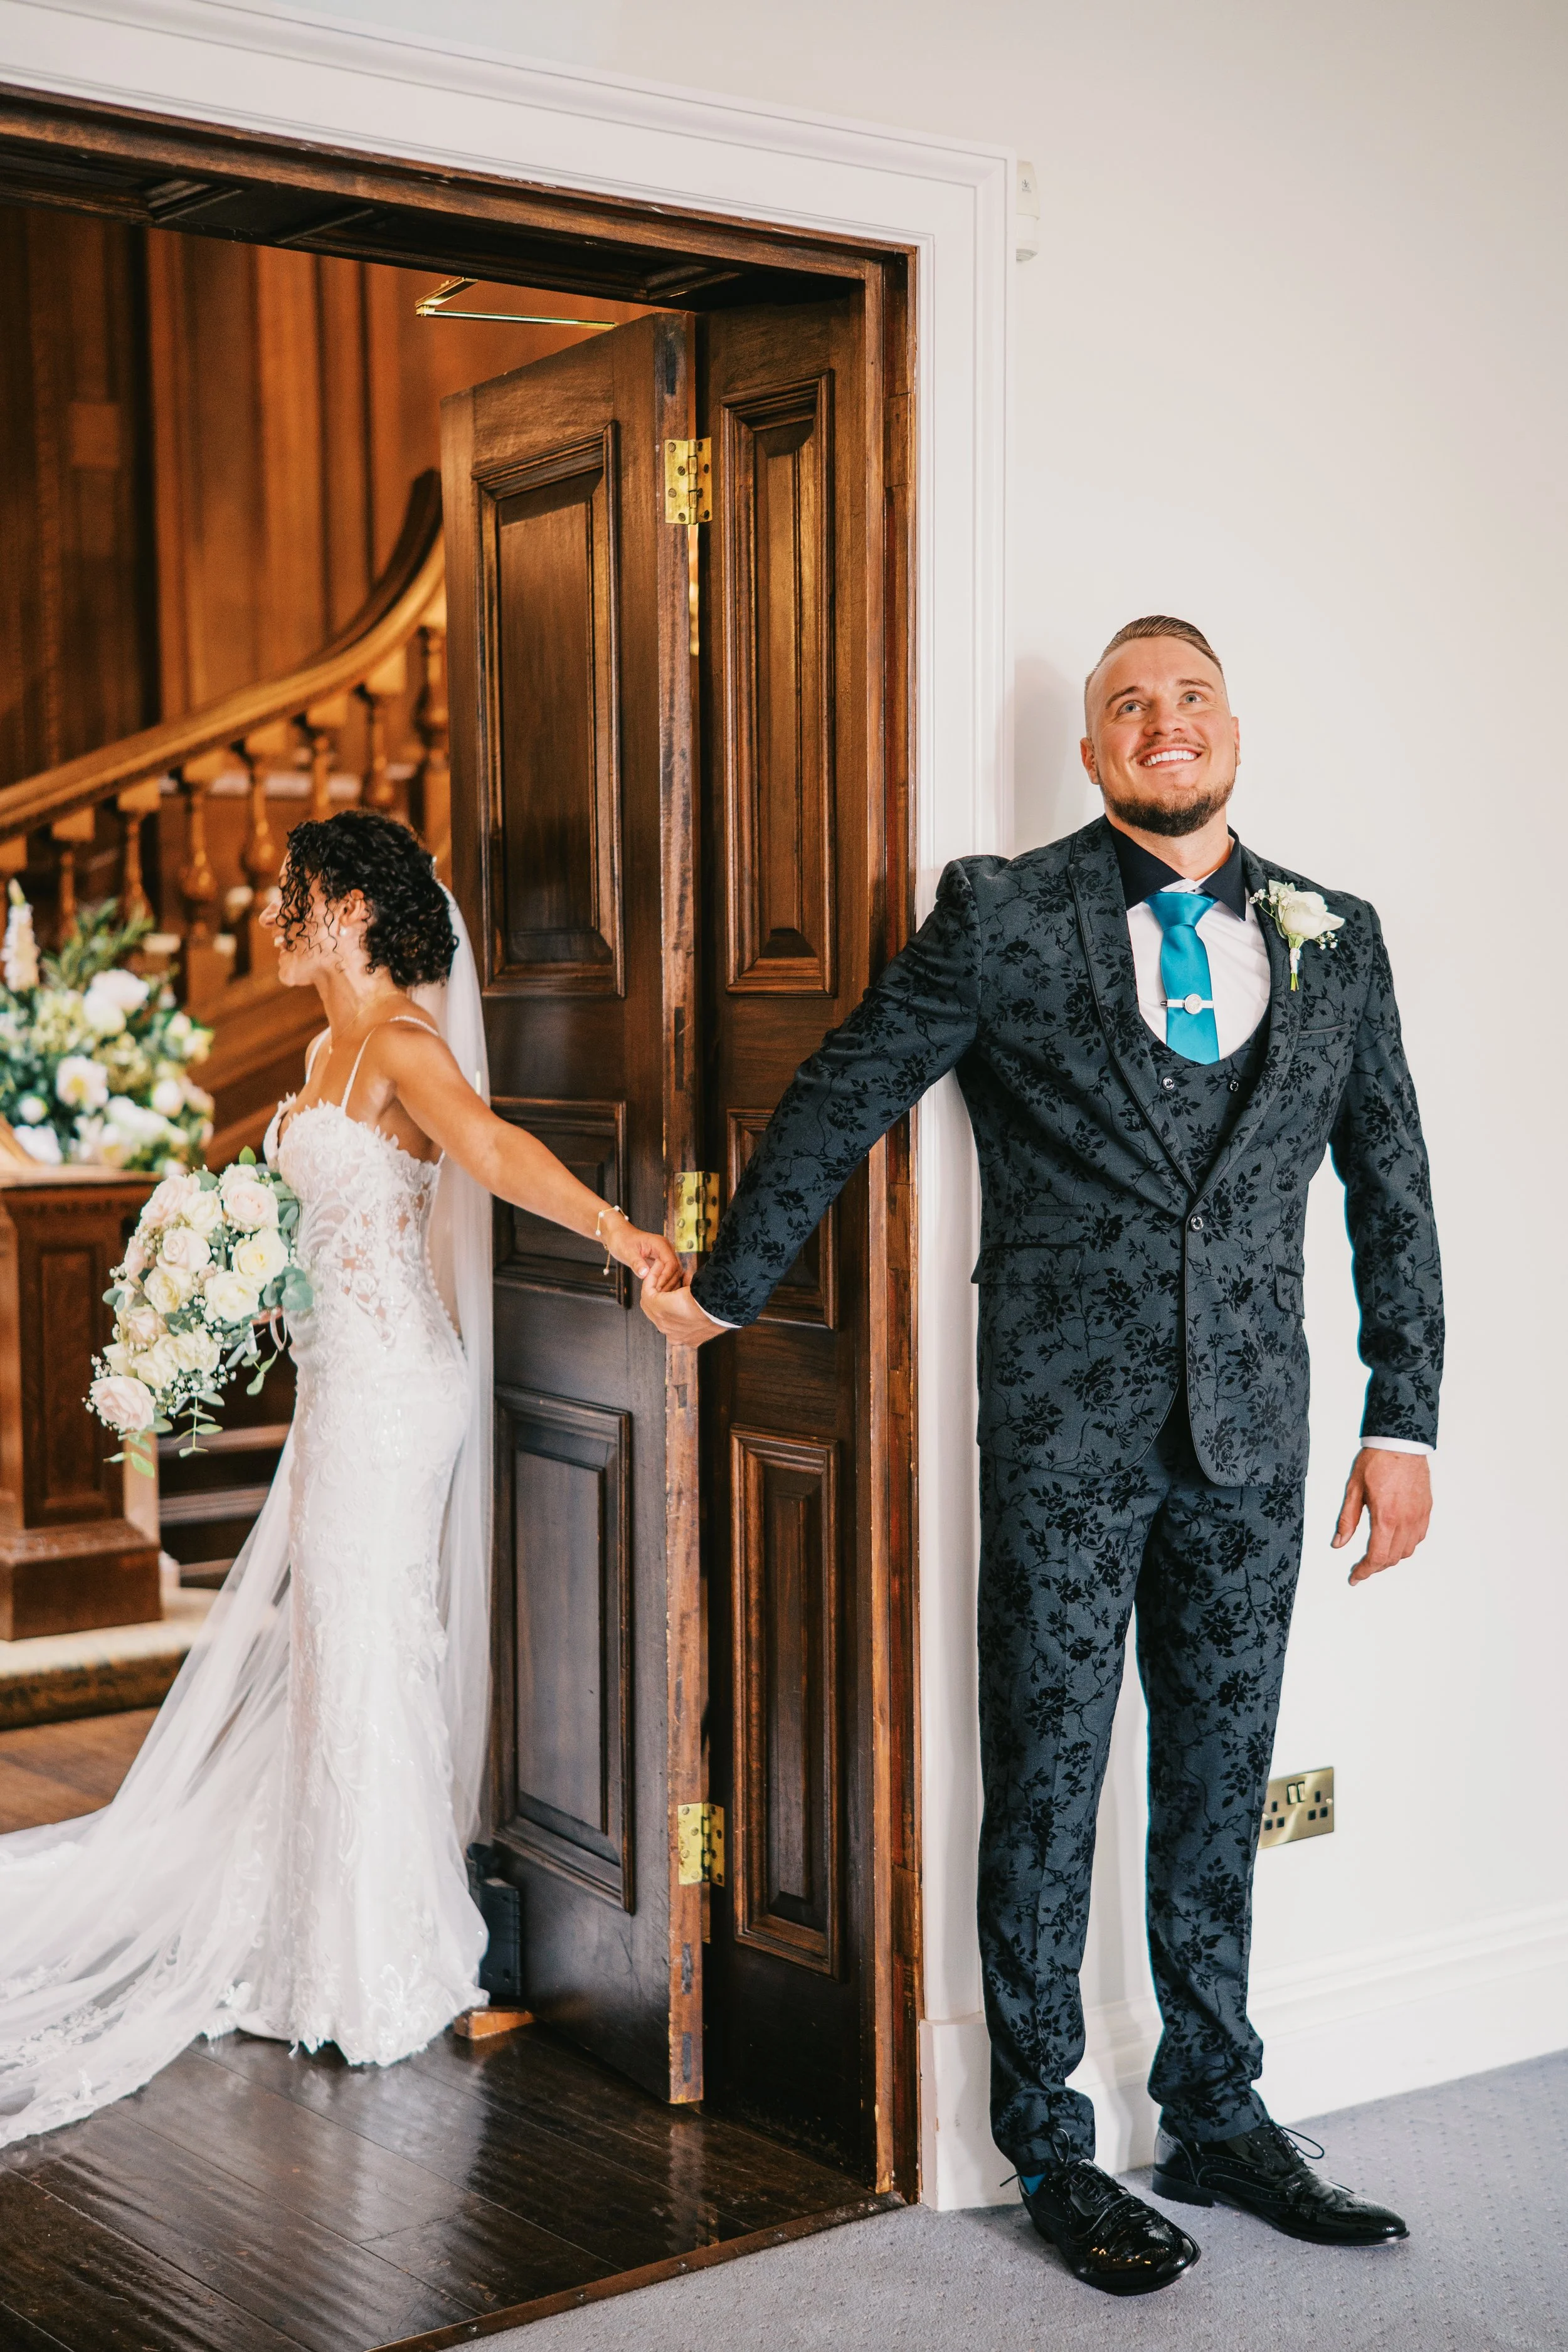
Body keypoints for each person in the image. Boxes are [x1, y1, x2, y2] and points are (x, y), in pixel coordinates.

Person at [642, 617, 1443, 2297]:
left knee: (1222, 1777)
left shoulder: (1334, 935)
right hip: (1066, 1438)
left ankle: (1218, 2102)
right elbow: (842, 1086)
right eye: (1126, 704)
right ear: (1088, 752)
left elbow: (1389, 1186)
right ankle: (1050, 2136)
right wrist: (727, 1287)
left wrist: (1400, 1418)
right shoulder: (1003, 914)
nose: (1165, 722)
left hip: (1254, 1432)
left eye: (1191, 697)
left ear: (1236, 729)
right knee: (1051, 1779)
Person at [0, 808, 681, 2147]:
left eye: (296, 892)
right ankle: (320, 1927)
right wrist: (223, 1290)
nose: (275, 910)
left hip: (393, 1392)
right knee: (331, 1651)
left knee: (367, 1648)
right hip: (337, 1386)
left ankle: (382, 1962)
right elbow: (309, 1228)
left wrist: (617, 1231)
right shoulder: (324, 1050)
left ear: (359, 911)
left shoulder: (405, 1047)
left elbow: (487, 1153)